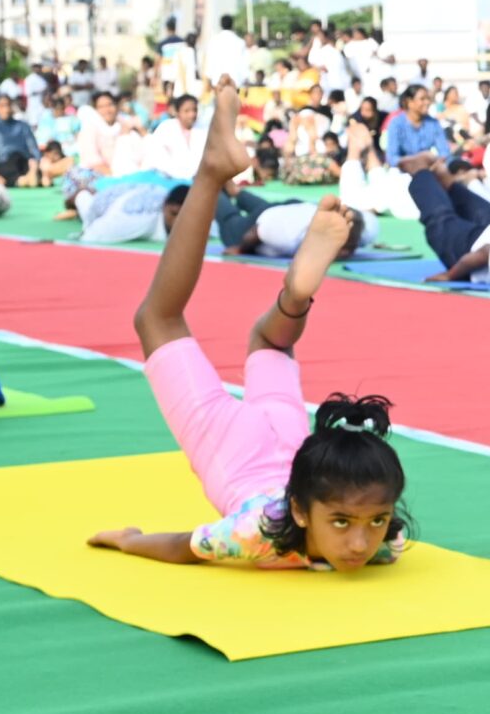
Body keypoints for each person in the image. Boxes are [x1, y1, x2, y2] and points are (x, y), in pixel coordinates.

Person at [87, 99, 410, 572]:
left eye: (377, 521)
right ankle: (210, 175)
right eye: (343, 522)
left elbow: (188, 545)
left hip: (297, 445)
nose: (362, 543)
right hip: (246, 452)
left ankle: (295, 298)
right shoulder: (261, 532)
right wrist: (129, 540)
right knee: (158, 321)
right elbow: (182, 546)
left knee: (270, 342)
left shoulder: (382, 542)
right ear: (299, 514)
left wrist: (339, 514)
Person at [218, 189, 370, 258]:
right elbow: (255, 232)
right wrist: (240, 250)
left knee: (265, 208)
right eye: (344, 250)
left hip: (291, 208)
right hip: (262, 223)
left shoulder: (359, 231)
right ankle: (212, 185)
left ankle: (237, 192)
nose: (346, 254)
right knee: (231, 225)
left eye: (350, 249)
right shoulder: (290, 237)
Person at [383, 86, 450, 175]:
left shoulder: (433, 123)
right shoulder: (396, 124)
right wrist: (417, 160)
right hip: (404, 172)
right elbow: (392, 158)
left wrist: (437, 162)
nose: (427, 102)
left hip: (430, 169)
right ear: (409, 102)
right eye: (422, 99)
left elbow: (444, 151)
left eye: (428, 99)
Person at [0, 93, 42, 184]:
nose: (6, 109)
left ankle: (30, 176)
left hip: (24, 163)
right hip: (2, 166)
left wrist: (35, 162)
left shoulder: (22, 125)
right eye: (2, 106)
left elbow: (33, 148)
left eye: (8, 105)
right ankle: (23, 180)